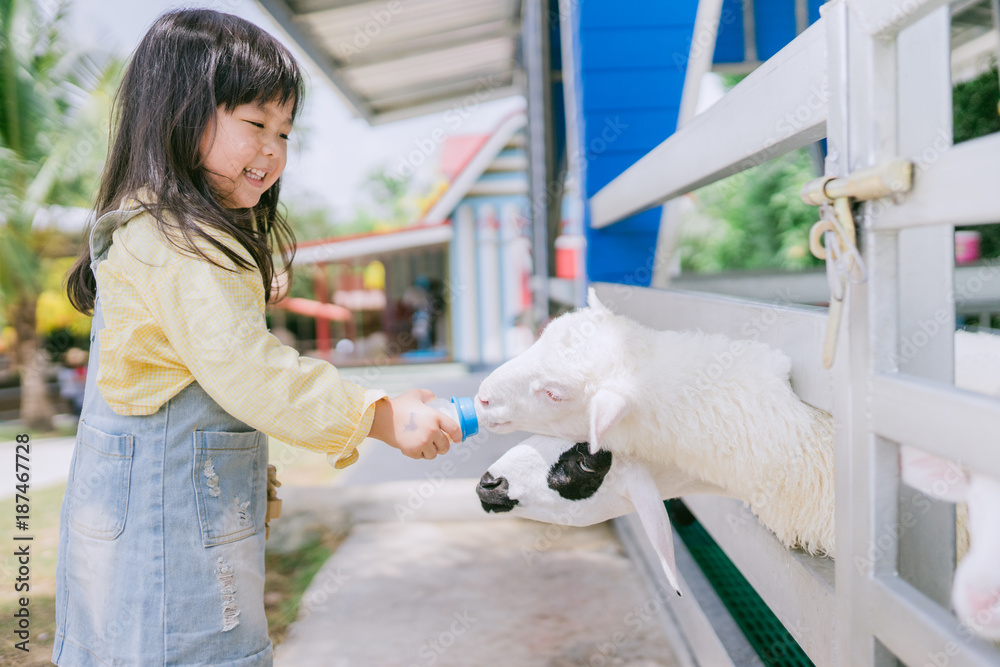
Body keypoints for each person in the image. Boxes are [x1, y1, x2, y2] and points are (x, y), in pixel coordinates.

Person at [59, 10, 461, 666]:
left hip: (145, 531)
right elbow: (251, 370)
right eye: (255, 124)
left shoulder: (155, 232)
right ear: (180, 113)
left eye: (284, 132)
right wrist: (378, 415)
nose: (273, 149)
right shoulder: (178, 246)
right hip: (171, 542)